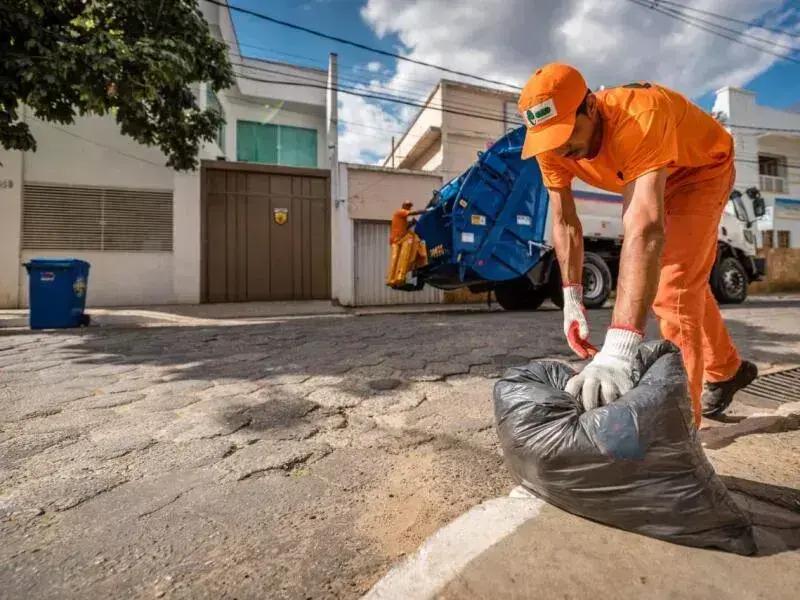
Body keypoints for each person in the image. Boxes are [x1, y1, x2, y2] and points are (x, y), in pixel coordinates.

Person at [517, 63, 757, 426]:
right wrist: (572, 300)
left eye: (567, 133)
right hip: (654, 173)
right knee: (684, 283)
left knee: (674, 289)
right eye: (550, 139)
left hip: (699, 172)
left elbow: (644, 228)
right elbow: (565, 223)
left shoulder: (639, 115)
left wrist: (620, 346)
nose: (562, 148)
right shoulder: (551, 147)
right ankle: (726, 370)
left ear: (592, 107)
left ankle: (680, 432)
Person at [386, 202, 427, 288]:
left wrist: (411, 224)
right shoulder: (400, 212)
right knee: (399, 258)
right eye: (408, 206)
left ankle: (394, 279)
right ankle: (398, 278)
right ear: (404, 206)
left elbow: (403, 228)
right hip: (398, 240)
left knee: (397, 259)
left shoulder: (402, 218)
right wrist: (425, 211)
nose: (409, 208)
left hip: (398, 239)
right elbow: (413, 213)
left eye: (410, 207)